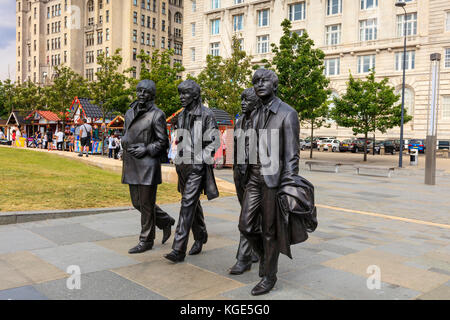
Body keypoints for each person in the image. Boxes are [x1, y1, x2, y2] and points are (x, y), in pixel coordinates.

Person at [238, 69, 302, 296]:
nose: (259, 84)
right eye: (256, 82)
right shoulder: (255, 114)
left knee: (269, 230)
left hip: (274, 179)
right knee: (245, 225)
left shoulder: (287, 113)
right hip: (254, 177)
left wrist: (289, 186)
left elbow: (292, 155)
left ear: (274, 85)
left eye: (264, 81)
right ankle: (264, 256)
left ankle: (269, 275)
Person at [164, 79, 220, 263]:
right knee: (191, 202)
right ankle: (201, 234)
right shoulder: (181, 115)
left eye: (185, 93)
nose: (181, 97)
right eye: (180, 93)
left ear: (195, 95)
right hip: (183, 166)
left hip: (197, 167)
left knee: (187, 204)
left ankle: (178, 249)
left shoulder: (207, 115)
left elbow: (214, 142)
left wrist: (200, 159)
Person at [121, 79, 175, 254]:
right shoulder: (129, 112)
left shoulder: (157, 114)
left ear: (152, 95)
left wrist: (146, 148)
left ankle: (146, 240)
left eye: (145, 92)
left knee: (146, 203)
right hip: (131, 163)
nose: (141, 95)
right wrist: (124, 141)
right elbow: (126, 132)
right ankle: (165, 221)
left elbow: (162, 142)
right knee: (137, 203)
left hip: (147, 164)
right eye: (139, 91)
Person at [229, 88, 261, 275]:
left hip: (256, 175)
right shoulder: (240, 121)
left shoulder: (263, 121)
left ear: (256, 102)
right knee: (249, 215)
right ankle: (256, 250)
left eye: (246, 100)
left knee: (246, 218)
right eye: (241, 100)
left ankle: (243, 259)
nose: (242, 103)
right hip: (240, 174)